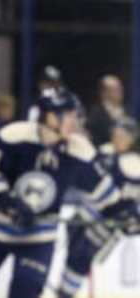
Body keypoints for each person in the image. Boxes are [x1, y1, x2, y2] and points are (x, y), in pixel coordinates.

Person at [0, 89, 120, 298]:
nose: (75, 121)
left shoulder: (79, 149)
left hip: (39, 237)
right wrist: (10, 204)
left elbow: (104, 192)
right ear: (50, 116)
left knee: (26, 291)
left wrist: (125, 209)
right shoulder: (14, 135)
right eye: (69, 115)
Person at [57, 117, 140, 298]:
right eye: (116, 135)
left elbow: (130, 200)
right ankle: (66, 290)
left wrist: (133, 215)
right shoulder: (104, 152)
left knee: (80, 258)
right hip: (86, 213)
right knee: (74, 256)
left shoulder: (135, 163)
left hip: (111, 221)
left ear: (132, 139)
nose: (117, 139)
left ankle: (66, 293)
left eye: (123, 136)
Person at [86, 74, 127, 146]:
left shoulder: (128, 110)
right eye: (115, 89)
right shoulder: (95, 115)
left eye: (120, 88)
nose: (120, 92)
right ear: (104, 93)